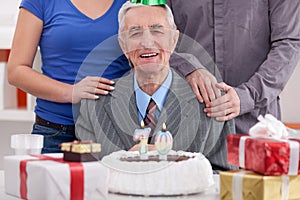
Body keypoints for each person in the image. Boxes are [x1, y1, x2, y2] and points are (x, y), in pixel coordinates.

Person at [76, 1, 236, 170]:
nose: (147, 42)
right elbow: (87, 176)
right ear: (123, 45)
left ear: (173, 40)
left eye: (157, 30)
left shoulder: (214, 102)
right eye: (135, 32)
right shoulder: (94, 104)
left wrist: (172, 166)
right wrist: (123, 163)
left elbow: (224, 178)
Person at [7, 0, 129, 153]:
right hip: (56, 132)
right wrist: (71, 92)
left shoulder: (132, 2)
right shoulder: (41, 2)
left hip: (115, 130)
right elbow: (16, 71)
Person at [167, 0, 300, 133]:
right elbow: (154, 33)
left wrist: (248, 95)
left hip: (254, 125)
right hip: (189, 121)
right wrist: (188, 67)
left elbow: (288, 43)